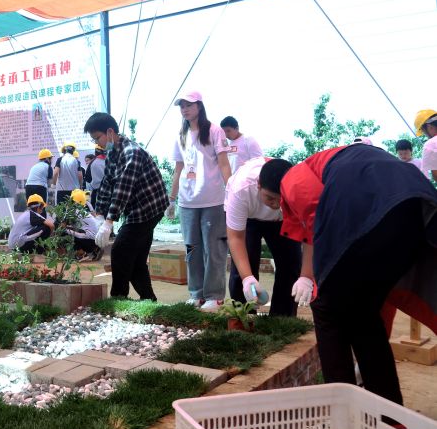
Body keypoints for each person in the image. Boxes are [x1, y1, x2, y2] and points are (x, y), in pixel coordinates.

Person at [264, 144, 437, 404]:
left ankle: (340, 410)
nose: (273, 205)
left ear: (271, 184)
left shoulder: (293, 176)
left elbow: (316, 214)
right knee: (363, 316)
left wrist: (318, 280)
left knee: (326, 310)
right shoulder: (327, 163)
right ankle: (390, 416)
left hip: (372, 211)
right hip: (413, 207)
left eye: (269, 198)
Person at [85, 113, 168, 300]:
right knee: (136, 258)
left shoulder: (132, 153)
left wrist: (108, 222)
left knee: (121, 250)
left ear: (110, 131)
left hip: (148, 208)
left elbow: (123, 188)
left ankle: (118, 298)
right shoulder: (112, 152)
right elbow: (107, 183)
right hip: (136, 208)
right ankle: (149, 300)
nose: (97, 143)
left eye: (98, 138)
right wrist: (99, 213)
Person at [168, 91, 232, 311]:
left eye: (188, 105)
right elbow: (178, 168)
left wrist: (231, 191)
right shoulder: (181, 134)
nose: (184, 109)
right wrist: (172, 199)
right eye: (181, 106)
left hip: (213, 199)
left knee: (214, 248)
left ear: (199, 106)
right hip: (187, 202)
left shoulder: (214, 131)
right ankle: (196, 294)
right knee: (192, 249)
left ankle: (215, 295)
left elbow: (224, 164)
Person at [225, 157, 300, 316]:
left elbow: (307, 234)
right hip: (248, 217)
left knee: (291, 265)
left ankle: (282, 320)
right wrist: (247, 279)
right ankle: (243, 318)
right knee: (244, 267)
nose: (276, 205)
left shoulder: (298, 188)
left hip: (281, 221)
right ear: (258, 185)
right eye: (271, 198)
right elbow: (235, 238)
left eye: (281, 199)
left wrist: (307, 277)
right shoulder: (241, 189)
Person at [62, 189, 102, 261]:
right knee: (71, 229)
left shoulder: (72, 210)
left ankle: (81, 253)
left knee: (63, 231)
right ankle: (95, 249)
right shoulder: (82, 211)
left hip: (88, 241)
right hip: (95, 240)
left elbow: (62, 226)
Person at [416, 109, 437, 182]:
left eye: (423, 131)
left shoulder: (431, 144)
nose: (425, 135)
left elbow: (436, 175)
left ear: (429, 126)